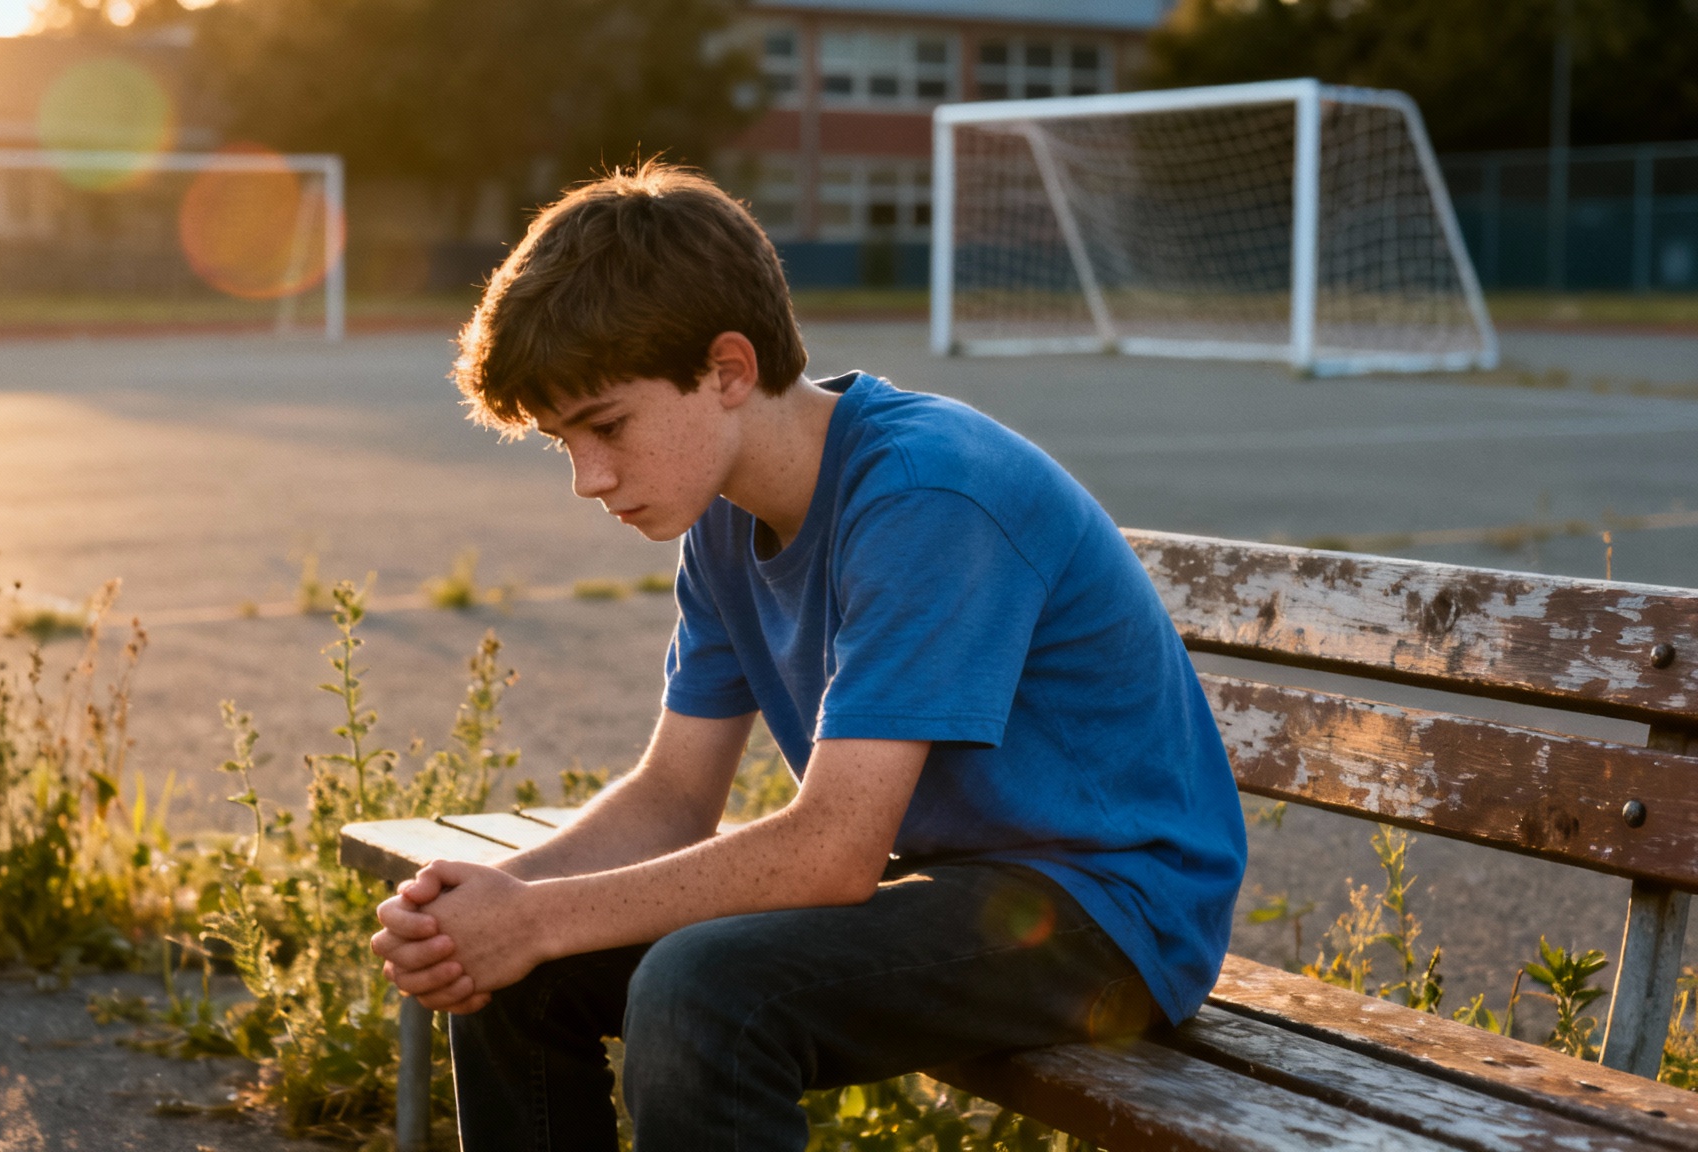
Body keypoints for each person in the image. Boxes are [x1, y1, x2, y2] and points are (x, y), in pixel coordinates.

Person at [370, 162, 1247, 1152]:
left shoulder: (924, 496)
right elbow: (669, 798)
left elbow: (831, 854)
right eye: (562, 443)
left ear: (729, 370)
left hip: (1113, 917)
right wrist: (493, 911)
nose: (587, 478)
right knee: (514, 972)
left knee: (704, 991)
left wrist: (534, 919)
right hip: (961, 892)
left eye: (605, 426)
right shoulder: (723, 520)